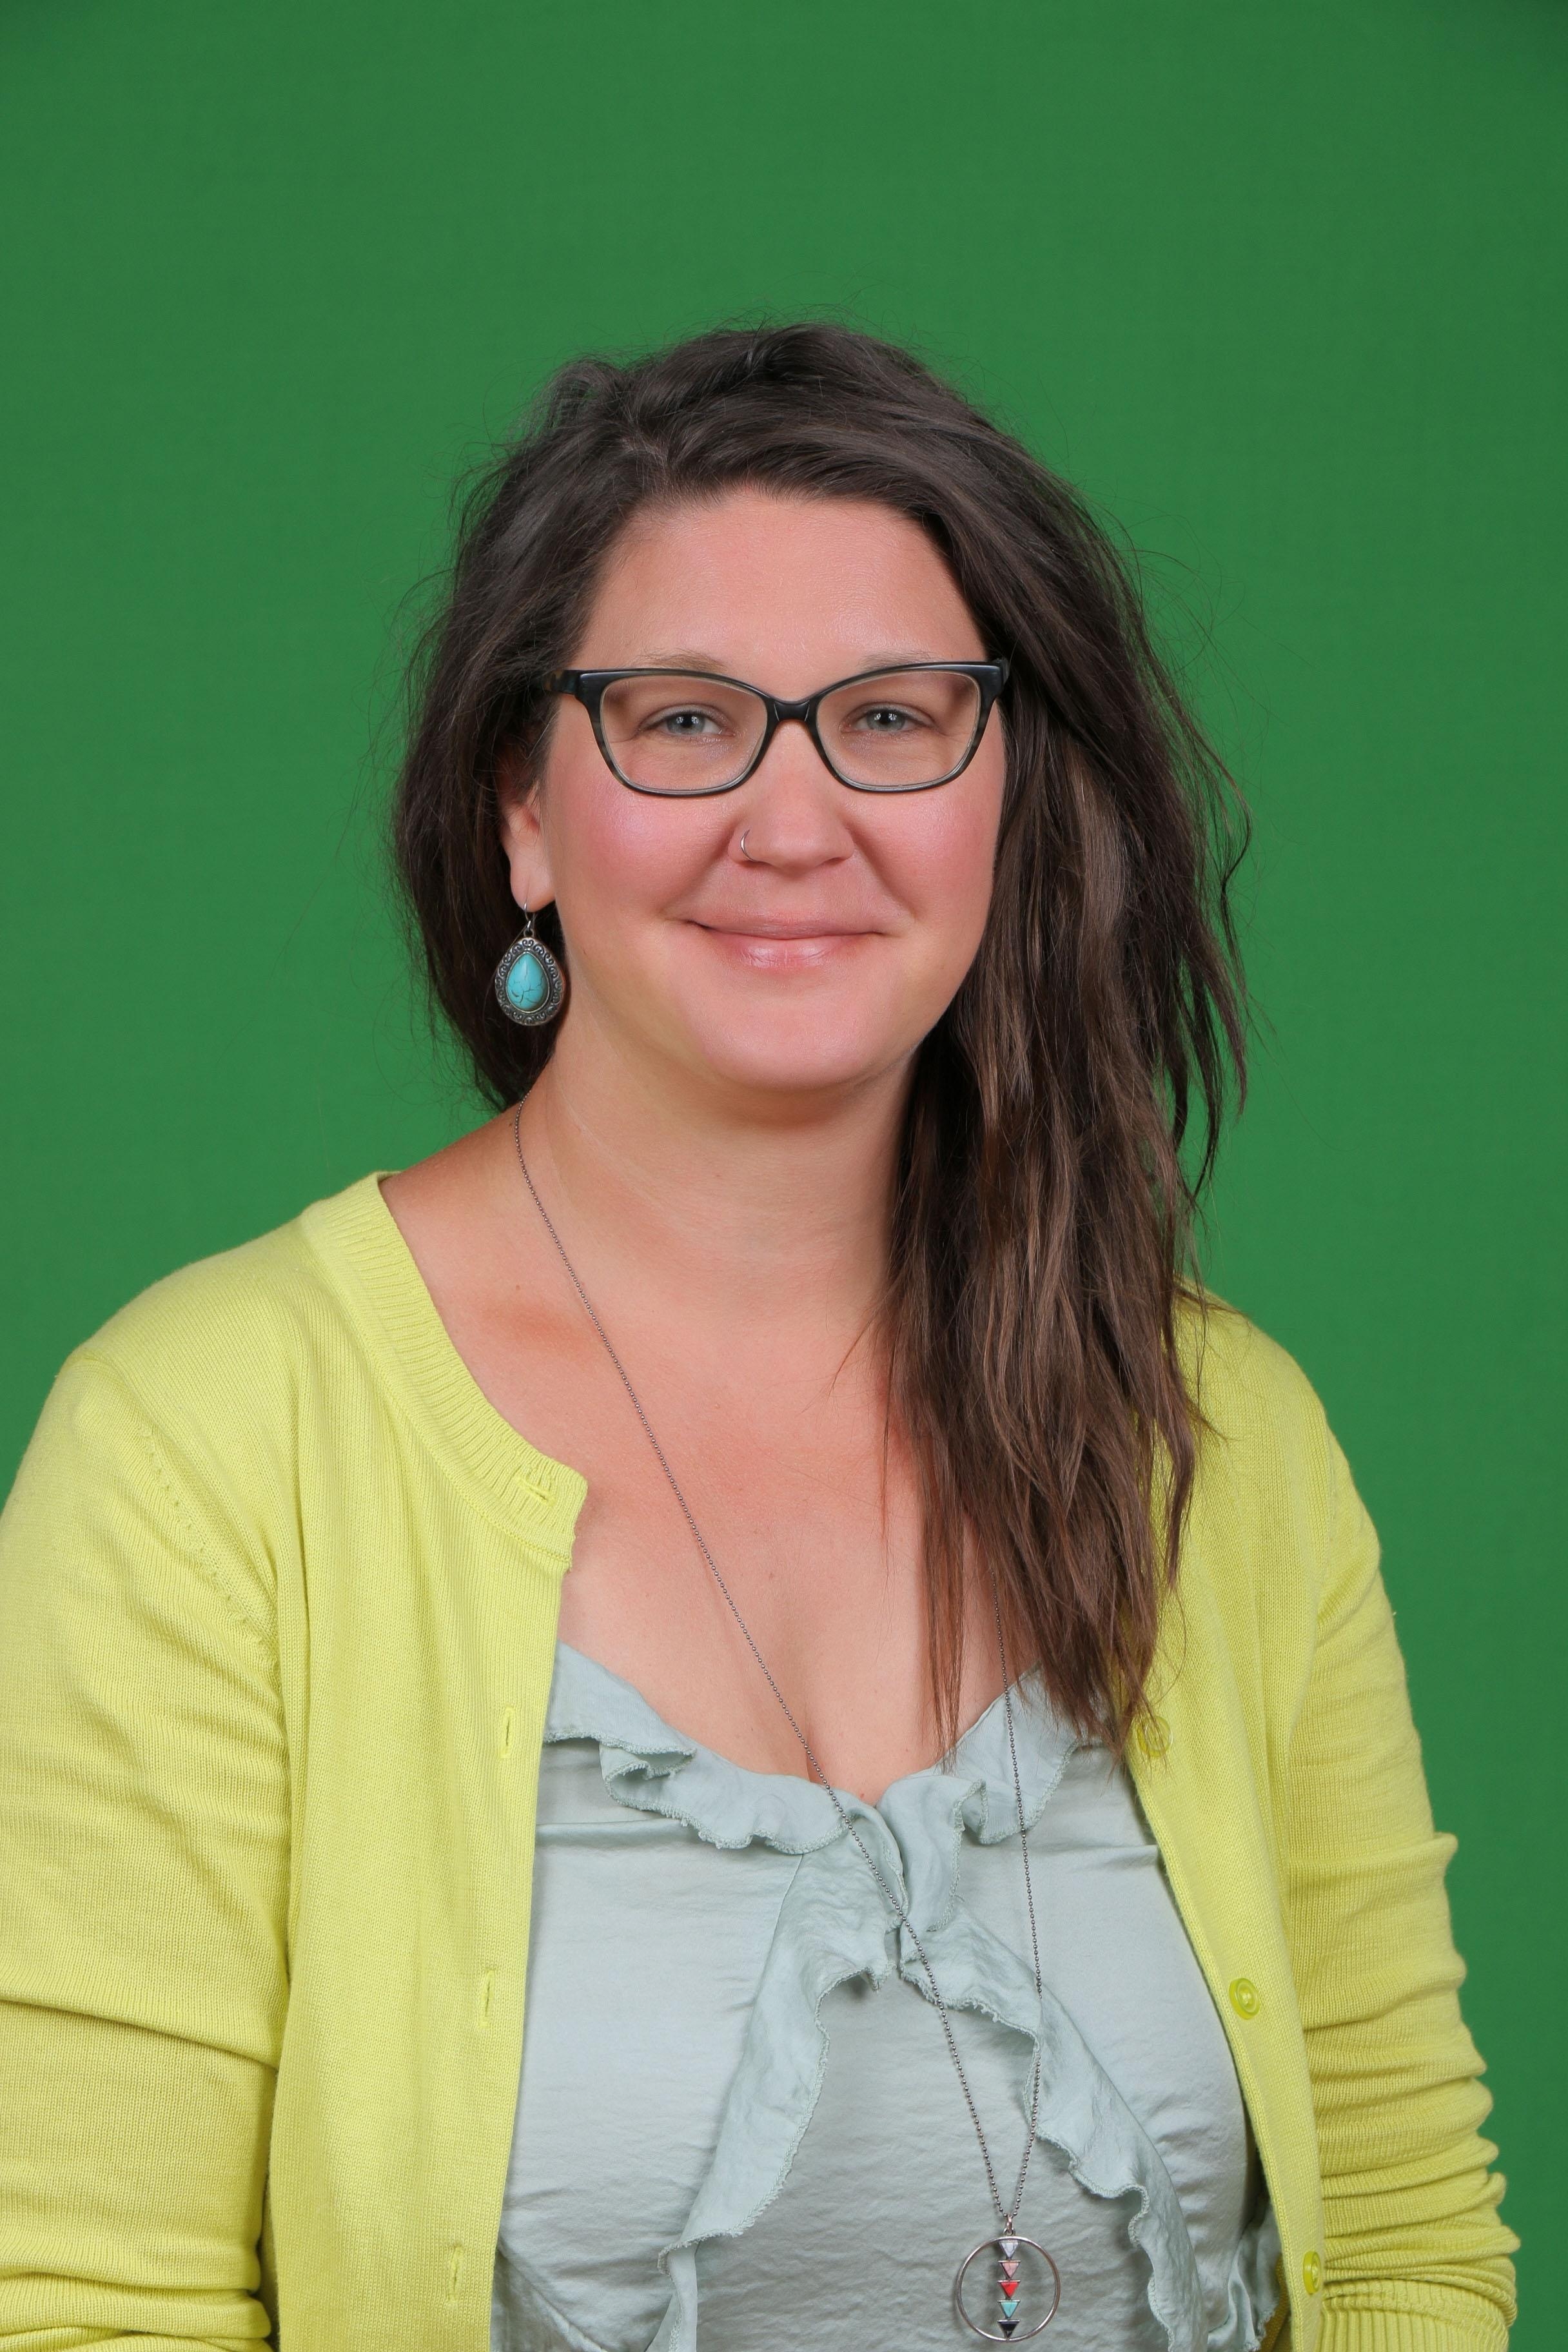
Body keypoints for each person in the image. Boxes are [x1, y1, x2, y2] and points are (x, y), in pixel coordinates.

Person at [0, 322, 1516, 2352]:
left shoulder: (1211, 1427)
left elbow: (1409, 2241)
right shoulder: (208, 1445)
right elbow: (83, 2308)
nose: (794, 822)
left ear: (1007, 795)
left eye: (892, 718)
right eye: (686, 721)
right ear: (522, 815)